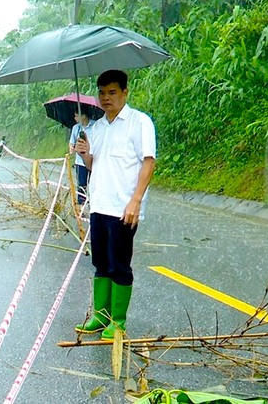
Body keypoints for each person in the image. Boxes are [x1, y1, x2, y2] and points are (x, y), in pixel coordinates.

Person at [73, 69, 156, 340]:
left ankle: (118, 321)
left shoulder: (139, 122)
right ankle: (101, 315)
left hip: (123, 208)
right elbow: (95, 165)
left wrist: (135, 201)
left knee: (119, 263)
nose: (106, 98)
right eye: (102, 93)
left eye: (112, 92)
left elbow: (148, 161)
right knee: (101, 263)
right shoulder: (96, 128)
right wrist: (85, 155)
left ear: (124, 93)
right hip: (99, 205)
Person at [69, 110, 96, 205]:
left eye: (77, 116)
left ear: (84, 116)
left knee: (94, 184)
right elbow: (71, 142)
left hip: (94, 160)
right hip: (80, 162)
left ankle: (94, 205)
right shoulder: (75, 128)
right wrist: (72, 149)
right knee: (81, 185)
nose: (75, 118)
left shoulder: (96, 126)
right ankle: (81, 207)